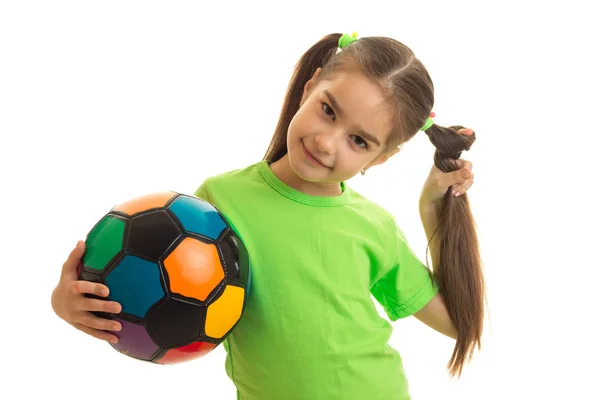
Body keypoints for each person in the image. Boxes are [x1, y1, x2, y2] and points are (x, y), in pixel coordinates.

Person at [51, 32, 485, 400]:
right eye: (328, 110)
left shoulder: (374, 226)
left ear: (383, 158)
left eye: (358, 140)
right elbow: (151, 286)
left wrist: (431, 209)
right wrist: (68, 303)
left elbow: (453, 322)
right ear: (309, 87)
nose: (326, 142)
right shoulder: (217, 202)